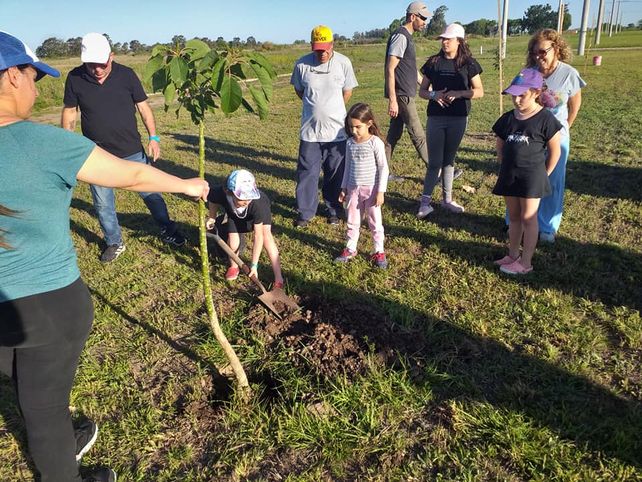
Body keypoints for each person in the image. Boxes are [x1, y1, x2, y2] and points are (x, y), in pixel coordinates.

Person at [0, 32, 209, 482]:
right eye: (34, 77)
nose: (37, 89)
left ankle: (54, 425)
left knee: (23, 377)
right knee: (44, 412)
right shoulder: (41, 143)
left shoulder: (118, 84)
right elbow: (131, 176)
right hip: (47, 304)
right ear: (13, 76)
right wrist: (186, 184)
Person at [61, 32, 187, 263]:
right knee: (102, 203)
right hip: (96, 155)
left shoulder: (126, 75)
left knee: (151, 193)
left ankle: (168, 229)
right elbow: (69, 113)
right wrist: (67, 147)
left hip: (132, 150)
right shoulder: (75, 78)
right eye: (91, 65)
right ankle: (114, 241)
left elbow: (144, 107)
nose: (97, 69)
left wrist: (154, 137)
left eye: (102, 64)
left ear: (112, 56)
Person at [492, 68, 562, 275]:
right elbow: (500, 145)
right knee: (514, 217)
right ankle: (512, 255)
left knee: (529, 218)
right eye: (514, 95)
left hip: (532, 178)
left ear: (536, 93)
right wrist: (505, 165)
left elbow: (555, 150)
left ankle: (526, 262)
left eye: (522, 95)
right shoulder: (507, 119)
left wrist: (545, 173)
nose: (517, 100)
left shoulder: (546, 119)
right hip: (510, 176)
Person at [290, 25, 358, 228]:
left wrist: (332, 110)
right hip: (310, 132)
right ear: (312, 46)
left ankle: (333, 210)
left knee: (335, 173)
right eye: (318, 49)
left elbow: (347, 92)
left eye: (326, 49)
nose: (322, 53)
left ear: (332, 45)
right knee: (307, 173)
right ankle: (305, 212)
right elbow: (299, 91)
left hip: (337, 132)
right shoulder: (302, 65)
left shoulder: (343, 63)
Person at [417, 23, 484, 218]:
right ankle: (424, 203)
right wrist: (434, 95)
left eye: (449, 39)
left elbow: (479, 91)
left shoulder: (469, 64)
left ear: (459, 41)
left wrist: (459, 93)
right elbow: (422, 91)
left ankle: (447, 200)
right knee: (434, 161)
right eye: (443, 39)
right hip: (436, 118)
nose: (445, 42)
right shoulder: (433, 62)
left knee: (449, 160)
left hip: (458, 117)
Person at [527, 29, 586, 243]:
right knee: (527, 178)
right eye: (534, 52)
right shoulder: (530, 72)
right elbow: (521, 99)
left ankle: (547, 227)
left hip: (557, 137)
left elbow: (575, 104)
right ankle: (519, 221)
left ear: (556, 49)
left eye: (542, 52)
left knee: (552, 180)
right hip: (532, 136)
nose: (538, 56)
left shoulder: (569, 73)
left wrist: (565, 128)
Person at [334, 103, 390, 269]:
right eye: (351, 127)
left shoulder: (375, 143)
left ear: (369, 124)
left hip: (371, 190)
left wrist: (381, 191)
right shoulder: (350, 143)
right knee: (352, 221)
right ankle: (350, 248)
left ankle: (378, 251)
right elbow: (347, 167)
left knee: (374, 222)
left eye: (358, 127)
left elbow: (383, 168)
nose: (354, 131)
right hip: (353, 190)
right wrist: (344, 188)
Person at [206, 170, 284, 287]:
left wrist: (254, 265)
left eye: (249, 197)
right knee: (233, 242)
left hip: (257, 216)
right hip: (234, 215)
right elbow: (212, 199)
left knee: (267, 237)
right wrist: (212, 218)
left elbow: (258, 237)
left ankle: (279, 278)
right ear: (229, 192)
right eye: (242, 197)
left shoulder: (258, 203)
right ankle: (234, 265)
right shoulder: (221, 192)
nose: (246, 201)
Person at [384, 1, 431, 179]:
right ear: (413, 17)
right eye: (423, 18)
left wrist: (428, 88)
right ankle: (439, 172)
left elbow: (411, 70)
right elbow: (391, 68)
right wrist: (393, 100)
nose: (425, 22)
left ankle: (382, 172)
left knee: (393, 136)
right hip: (402, 95)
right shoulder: (401, 36)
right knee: (418, 134)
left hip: (403, 93)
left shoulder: (407, 37)